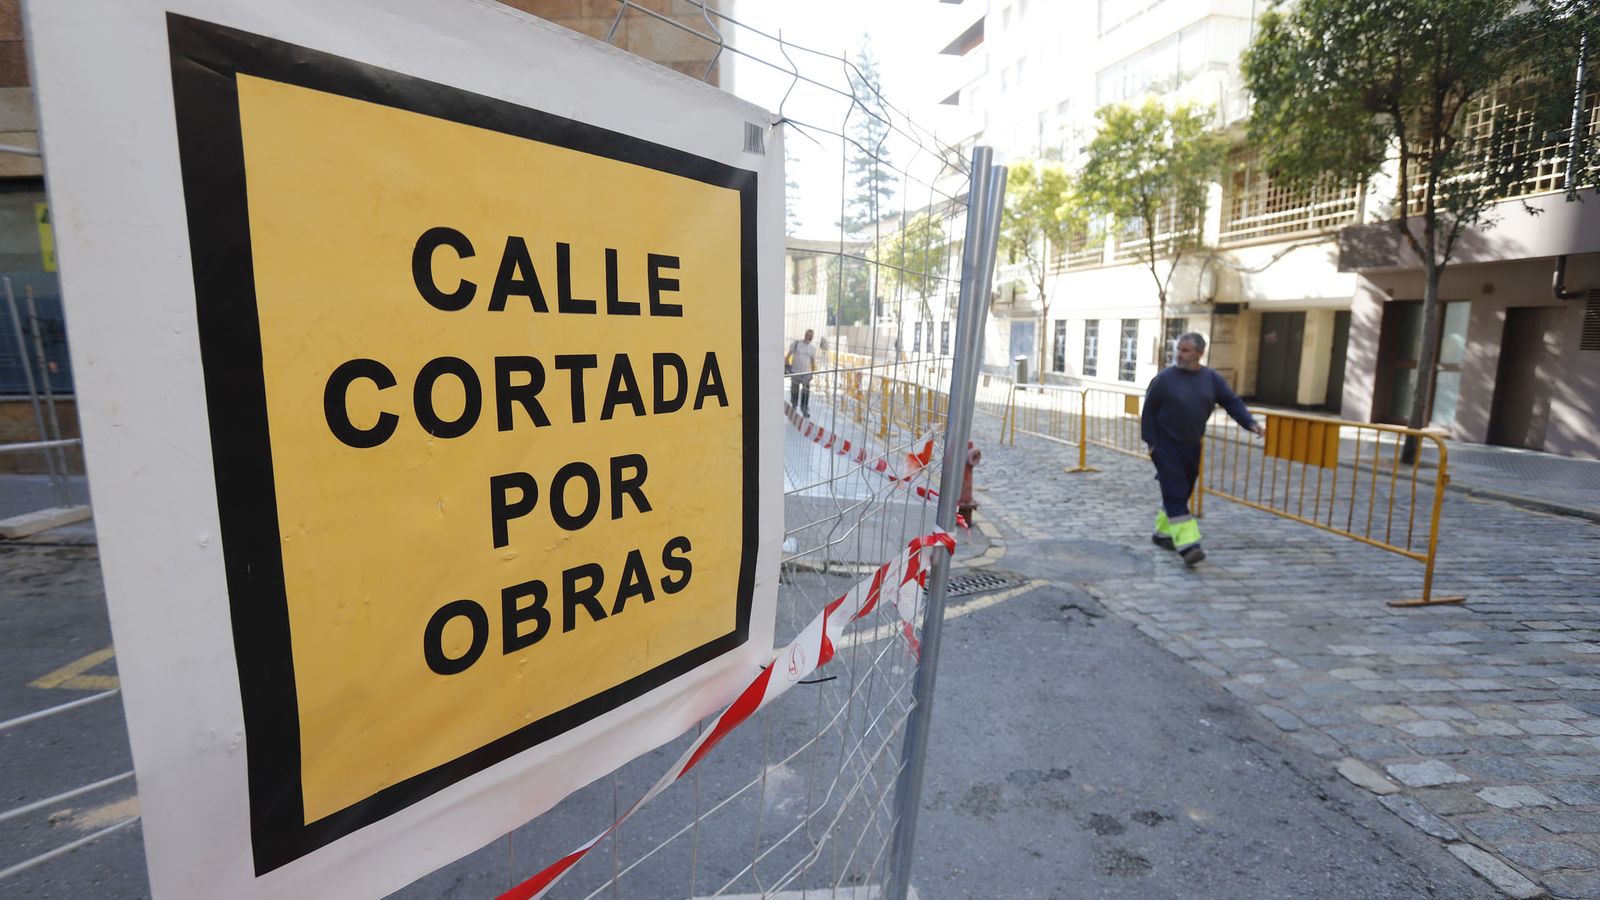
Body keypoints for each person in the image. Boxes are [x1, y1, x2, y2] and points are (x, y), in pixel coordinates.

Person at [1141, 331, 1264, 567]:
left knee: (1184, 489)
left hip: (1192, 445)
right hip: (1165, 446)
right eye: (1179, 349)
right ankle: (1189, 546)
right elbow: (1148, 412)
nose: (1180, 354)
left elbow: (1231, 402)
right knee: (1176, 490)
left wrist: (1250, 423)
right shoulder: (1164, 379)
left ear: (1200, 353)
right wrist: (1151, 443)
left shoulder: (1211, 379)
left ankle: (1162, 534)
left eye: (1185, 350)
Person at [787, 329, 818, 417]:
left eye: (811, 336)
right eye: (808, 335)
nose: (810, 337)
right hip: (795, 372)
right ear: (805, 335)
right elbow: (788, 355)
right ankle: (794, 405)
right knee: (794, 390)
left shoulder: (812, 348)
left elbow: (813, 361)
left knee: (806, 392)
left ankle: (804, 409)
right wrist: (787, 366)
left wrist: (813, 373)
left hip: (806, 374)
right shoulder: (796, 344)